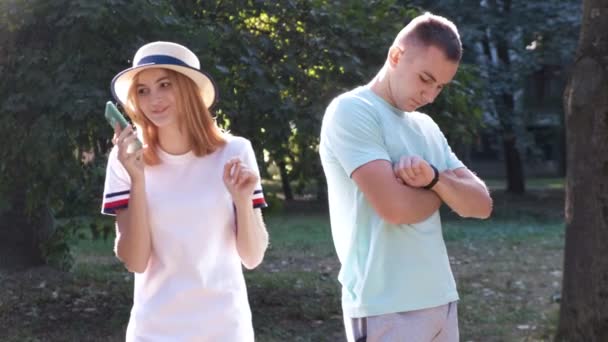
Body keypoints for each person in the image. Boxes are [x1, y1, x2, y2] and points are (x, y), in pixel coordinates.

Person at [319, 13, 493, 342]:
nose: (430, 96)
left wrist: (433, 180)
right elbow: (395, 209)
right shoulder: (352, 111)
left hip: (441, 299)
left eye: (440, 86)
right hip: (384, 306)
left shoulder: (425, 127)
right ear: (396, 56)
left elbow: (481, 204)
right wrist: (447, 192)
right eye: (425, 79)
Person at [101, 41, 269, 341]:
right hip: (153, 332)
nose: (154, 99)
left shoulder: (235, 152)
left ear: (189, 88)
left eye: (165, 84)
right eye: (143, 90)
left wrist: (243, 202)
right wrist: (138, 180)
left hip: (226, 330)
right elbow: (136, 261)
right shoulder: (125, 158)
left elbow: (253, 257)